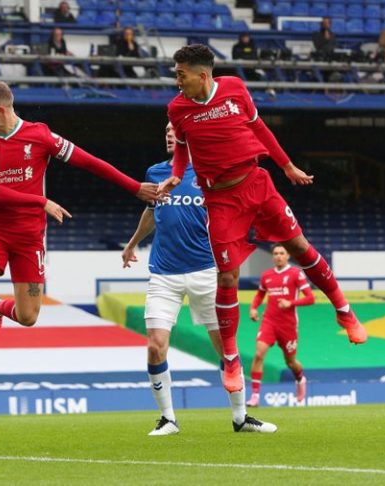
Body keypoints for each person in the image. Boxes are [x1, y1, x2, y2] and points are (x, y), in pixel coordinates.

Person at [0, 80, 158, 404]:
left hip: (29, 235)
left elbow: (89, 161)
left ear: (0, 109)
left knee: (29, 316)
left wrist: (133, 187)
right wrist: (40, 201)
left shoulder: (40, 135)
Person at [157, 44, 367, 396]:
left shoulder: (235, 89)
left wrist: (286, 166)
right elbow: (181, 146)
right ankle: (231, 358)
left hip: (256, 183)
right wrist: (178, 175)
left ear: (202, 75)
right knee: (227, 275)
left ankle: (344, 311)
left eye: (181, 75)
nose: (177, 82)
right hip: (220, 199)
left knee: (299, 246)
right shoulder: (177, 108)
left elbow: (259, 128)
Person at [122, 122, 276, 434]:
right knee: (155, 345)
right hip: (164, 274)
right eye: (164, 130)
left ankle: (241, 417)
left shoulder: (212, 174)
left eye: (172, 130)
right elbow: (152, 211)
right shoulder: (155, 173)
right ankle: (168, 418)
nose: (167, 134)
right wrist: (133, 242)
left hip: (207, 271)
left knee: (226, 349)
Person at [247, 243, 314, 407]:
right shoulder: (266, 275)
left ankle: (300, 379)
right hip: (269, 320)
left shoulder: (295, 274)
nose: (278, 256)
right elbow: (259, 295)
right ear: (273, 256)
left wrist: (290, 303)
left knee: (290, 362)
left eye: (282, 253)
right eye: (275, 253)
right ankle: (255, 396)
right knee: (258, 354)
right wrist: (253, 308)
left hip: (288, 324)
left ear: (288, 255)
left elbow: (310, 298)